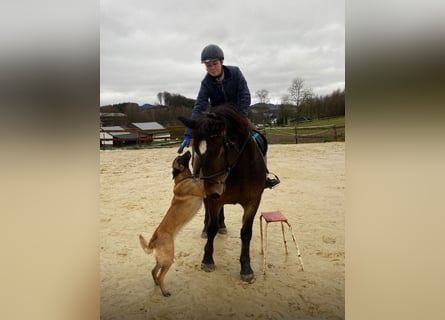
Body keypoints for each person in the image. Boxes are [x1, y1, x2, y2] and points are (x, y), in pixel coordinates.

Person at [177, 44, 280, 235]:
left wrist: (239, 118)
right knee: (203, 147)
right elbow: (199, 105)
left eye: (214, 64)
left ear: (222, 62)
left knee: (258, 139)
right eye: (207, 65)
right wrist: (188, 133)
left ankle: (263, 175)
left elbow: (245, 95)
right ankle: (199, 177)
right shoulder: (206, 82)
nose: (211, 68)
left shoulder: (236, 73)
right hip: (217, 120)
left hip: (238, 117)